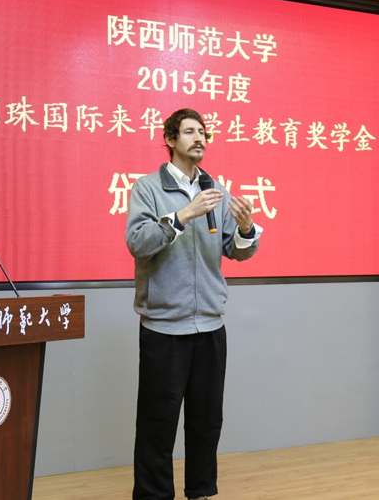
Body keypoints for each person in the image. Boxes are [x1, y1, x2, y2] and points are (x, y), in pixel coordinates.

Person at [126, 108, 262, 500]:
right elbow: (138, 242)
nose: (199, 138)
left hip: (210, 326)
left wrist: (246, 228)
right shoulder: (148, 188)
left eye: (203, 132)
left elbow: (236, 251)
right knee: (157, 423)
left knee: (206, 420)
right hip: (164, 327)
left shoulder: (214, 189)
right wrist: (184, 214)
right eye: (189, 132)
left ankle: (201, 491)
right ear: (170, 139)